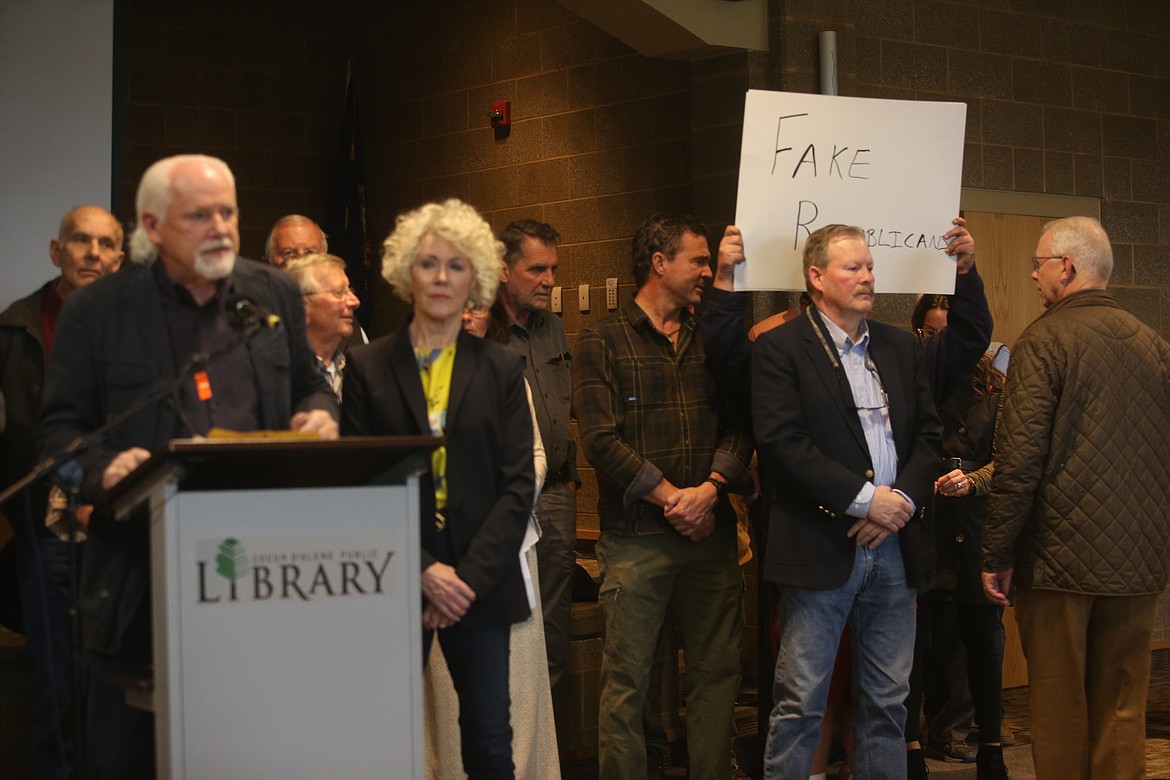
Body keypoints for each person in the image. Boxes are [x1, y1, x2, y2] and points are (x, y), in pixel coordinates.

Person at [37, 154, 339, 779]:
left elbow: (312, 386)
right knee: (128, 760)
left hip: (264, 575)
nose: (221, 227)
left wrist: (317, 413)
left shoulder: (273, 292)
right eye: (200, 215)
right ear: (152, 224)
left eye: (228, 211)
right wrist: (99, 470)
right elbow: (59, 435)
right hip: (137, 579)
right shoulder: (99, 313)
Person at [342, 198, 535, 780]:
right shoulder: (368, 368)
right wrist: (423, 570)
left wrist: (465, 579)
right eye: (428, 264)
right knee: (384, 741)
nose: (442, 278)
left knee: (487, 742)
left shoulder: (502, 367)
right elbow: (359, 487)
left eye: (456, 266)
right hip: (394, 578)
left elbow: (517, 485)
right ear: (406, 273)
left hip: (480, 583)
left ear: (473, 275)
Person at [748, 224, 942, 779]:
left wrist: (898, 500)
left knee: (887, 705)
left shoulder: (900, 346)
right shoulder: (781, 347)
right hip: (818, 548)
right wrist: (866, 502)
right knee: (800, 704)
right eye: (852, 268)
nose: (867, 277)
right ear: (815, 277)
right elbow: (783, 444)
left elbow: (930, 436)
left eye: (870, 267)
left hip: (894, 549)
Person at [982, 216, 1170, 780]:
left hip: (1059, 562)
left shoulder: (1043, 341)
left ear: (1064, 267)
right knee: (1121, 711)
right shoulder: (1156, 346)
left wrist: (996, 553)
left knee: (1060, 711)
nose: (1035, 276)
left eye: (1037, 264)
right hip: (1138, 564)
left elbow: (1019, 460)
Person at [572, 212, 753, 780]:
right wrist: (676, 498)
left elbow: (742, 424)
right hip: (637, 541)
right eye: (699, 260)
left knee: (717, 675)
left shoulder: (715, 339)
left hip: (712, 536)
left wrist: (710, 490)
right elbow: (599, 441)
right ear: (659, 263)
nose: (708, 271)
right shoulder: (602, 339)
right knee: (628, 685)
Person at [1, 205, 124, 779]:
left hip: (121, 528)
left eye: (105, 243)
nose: (93, 253)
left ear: (120, 259)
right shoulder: (16, 328)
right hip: (44, 527)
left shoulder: (138, 329)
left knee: (113, 687)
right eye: (81, 241)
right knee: (55, 683)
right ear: (57, 251)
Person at [422, 302, 560, 780]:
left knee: (513, 697)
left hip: (506, 546)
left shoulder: (505, 372)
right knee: (449, 695)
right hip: (436, 564)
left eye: (476, 307)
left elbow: (534, 456)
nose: (466, 316)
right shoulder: (400, 371)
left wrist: (500, 511)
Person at [908, 351, 1010, 780]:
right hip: (925, 521)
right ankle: (911, 747)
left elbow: (1010, 459)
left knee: (983, 645)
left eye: (945, 334)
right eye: (929, 334)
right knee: (916, 644)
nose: (937, 342)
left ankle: (992, 747)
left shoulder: (997, 393)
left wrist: (972, 479)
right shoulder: (911, 384)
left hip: (975, 524)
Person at [495, 219, 578, 704]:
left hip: (555, 500)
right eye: (537, 270)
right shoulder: (480, 329)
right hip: (501, 502)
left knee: (552, 636)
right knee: (507, 634)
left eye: (553, 269)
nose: (549, 280)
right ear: (504, 270)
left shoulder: (554, 328)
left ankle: (543, 761)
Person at [284, 253, 362, 401]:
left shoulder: (356, 368)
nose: (355, 301)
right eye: (339, 293)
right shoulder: (279, 374)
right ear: (301, 305)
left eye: (350, 291)